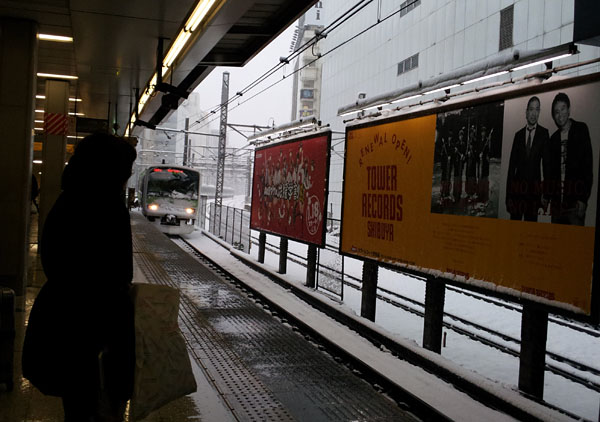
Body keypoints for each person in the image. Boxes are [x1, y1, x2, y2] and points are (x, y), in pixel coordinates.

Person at [22, 133, 137, 421]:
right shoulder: (108, 208)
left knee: (79, 405)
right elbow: (118, 273)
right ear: (110, 168)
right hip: (97, 326)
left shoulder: (68, 200)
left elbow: (53, 259)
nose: (128, 177)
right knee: (99, 406)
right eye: (125, 169)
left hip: (66, 321)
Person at [543, 92, 593, 226]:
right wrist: (547, 196)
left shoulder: (581, 129)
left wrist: (583, 199)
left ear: (569, 109)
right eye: (556, 112)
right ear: (554, 116)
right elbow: (551, 172)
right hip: (557, 204)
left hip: (575, 203)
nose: (560, 115)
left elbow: (587, 166)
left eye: (563, 109)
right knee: (556, 244)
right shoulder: (553, 139)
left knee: (574, 244)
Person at [506, 96, 549, 221]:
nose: (533, 113)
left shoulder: (544, 134)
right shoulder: (518, 135)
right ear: (526, 112)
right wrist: (508, 196)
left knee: (530, 232)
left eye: (537, 110)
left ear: (539, 112)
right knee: (514, 231)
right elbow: (511, 168)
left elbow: (547, 166)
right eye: (531, 109)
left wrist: (546, 195)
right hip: (516, 193)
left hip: (534, 194)